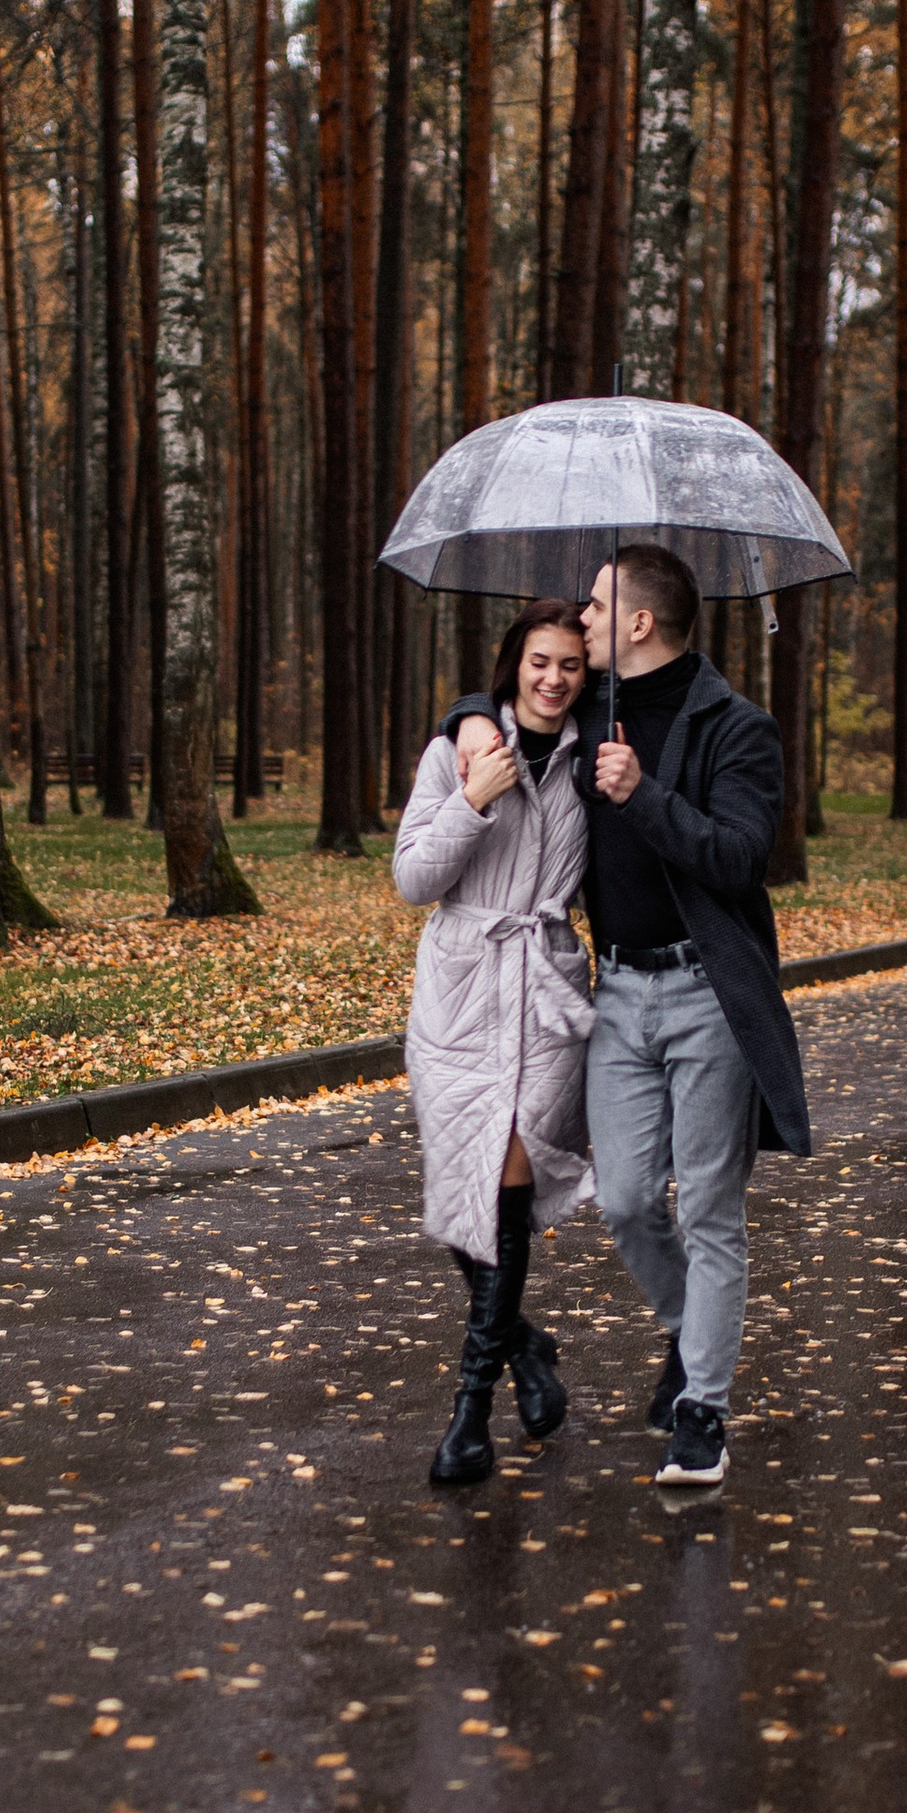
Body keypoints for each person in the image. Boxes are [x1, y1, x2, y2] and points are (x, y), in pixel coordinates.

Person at [448, 544, 808, 1490]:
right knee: (629, 1200)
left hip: (708, 997)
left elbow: (739, 859)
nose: (583, 622)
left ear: (639, 622)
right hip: (620, 995)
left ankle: (703, 1412)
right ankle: (692, 1335)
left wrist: (640, 796)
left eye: (599, 609)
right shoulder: (591, 717)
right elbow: (513, 710)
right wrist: (468, 718)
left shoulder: (738, 729)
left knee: (712, 1209)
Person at [392, 600, 598, 1487]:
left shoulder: (599, 760)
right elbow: (412, 880)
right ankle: (525, 1348)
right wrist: (471, 802)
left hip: (546, 994)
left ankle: (470, 1409)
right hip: (461, 988)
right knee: (459, 1181)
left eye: (572, 666)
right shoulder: (460, 752)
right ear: (514, 665)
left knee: (505, 1182)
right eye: (540, 662)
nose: (553, 679)